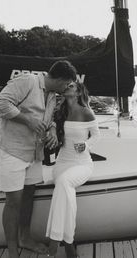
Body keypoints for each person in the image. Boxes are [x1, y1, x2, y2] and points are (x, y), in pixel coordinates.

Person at [0, 60, 77, 258]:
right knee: (14, 201)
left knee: (29, 194)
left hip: (34, 152)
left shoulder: (53, 96)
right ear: (59, 79)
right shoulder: (28, 81)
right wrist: (28, 120)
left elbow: (52, 119)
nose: (67, 88)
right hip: (12, 150)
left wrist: (53, 130)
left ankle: (24, 238)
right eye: (67, 84)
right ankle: (13, 251)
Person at [46, 81, 100, 258]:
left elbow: (97, 135)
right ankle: (69, 243)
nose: (68, 87)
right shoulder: (60, 111)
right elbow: (52, 123)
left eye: (71, 86)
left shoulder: (86, 112)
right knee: (64, 188)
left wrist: (85, 145)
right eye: (67, 85)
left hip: (82, 164)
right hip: (62, 163)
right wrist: (53, 129)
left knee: (63, 183)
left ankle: (54, 245)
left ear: (77, 92)